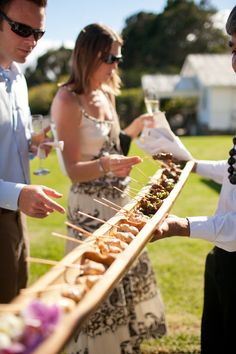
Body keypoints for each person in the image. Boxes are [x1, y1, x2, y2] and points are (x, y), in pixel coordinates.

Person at [51, 23, 167, 354]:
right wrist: (105, 165)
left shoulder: (107, 92)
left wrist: (134, 128)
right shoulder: (67, 99)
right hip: (89, 211)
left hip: (121, 203)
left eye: (119, 57)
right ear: (87, 55)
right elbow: (74, 171)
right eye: (109, 57)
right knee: (95, 293)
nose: (115, 64)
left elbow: (114, 146)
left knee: (123, 285)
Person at [151, 6, 236, 354]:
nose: (234, 61)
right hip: (224, 259)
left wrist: (181, 226)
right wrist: (193, 165)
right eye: (232, 47)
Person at [0, 0, 65, 304]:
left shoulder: (19, 78)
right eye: (22, 29)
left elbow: (11, 143)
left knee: (15, 305)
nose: (31, 42)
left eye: (38, 33)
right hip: (12, 204)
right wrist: (18, 195)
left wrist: (33, 143)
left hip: (15, 216)